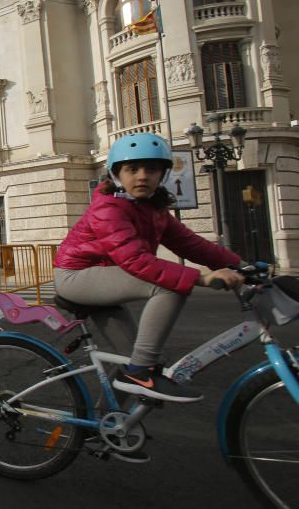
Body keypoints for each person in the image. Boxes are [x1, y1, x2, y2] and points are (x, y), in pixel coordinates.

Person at [53, 133, 244, 403]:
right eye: (132, 169)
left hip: (106, 276)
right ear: (116, 174)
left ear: (162, 174)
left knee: (129, 356)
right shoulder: (108, 208)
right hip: (77, 276)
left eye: (151, 169)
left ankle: (108, 428)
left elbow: (193, 244)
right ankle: (141, 372)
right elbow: (135, 261)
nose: (142, 176)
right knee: (168, 288)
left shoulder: (153, 210)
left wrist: (240, 265)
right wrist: (202, 277)